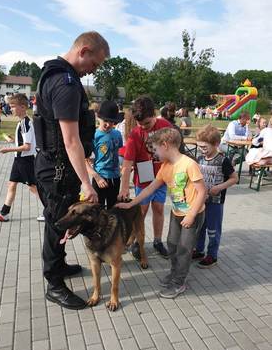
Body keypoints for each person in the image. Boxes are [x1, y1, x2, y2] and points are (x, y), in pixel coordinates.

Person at [34, 31, 109, 310]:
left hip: (52, 166)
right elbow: (70, 140)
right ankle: (54, 285)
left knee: (59, 222)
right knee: (58, 224)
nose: (94, 71)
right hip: (57, 170)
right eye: (95, 64)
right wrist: (87, 184)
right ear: (84, 50)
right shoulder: (65, 84)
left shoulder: (55, 75)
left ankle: (60, 266)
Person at [116, 128, 206, 298]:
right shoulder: (165, 167)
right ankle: (174, 273)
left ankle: (179, 282)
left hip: (192, 215)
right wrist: (131, 204)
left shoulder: (189, 164)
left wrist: (192, 215)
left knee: (184, 249)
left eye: (156, 149)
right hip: (177, 212)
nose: (154, 153)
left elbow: (202, 192)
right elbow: (150, 188)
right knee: (172, 244)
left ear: (165, 145)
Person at [118, 96, 185, 259]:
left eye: (147, 123)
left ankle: (157, 241)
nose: (144, 127)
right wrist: (124, 188)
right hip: (143, 180)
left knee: (159, 209)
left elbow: (177, 151)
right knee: (141, 212)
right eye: (140, 124)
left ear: (154, 114)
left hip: (162, 178)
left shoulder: (166, 127)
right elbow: (127, 164)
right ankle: (136, 241)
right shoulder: (135, 134)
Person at [0, 94, 43, 222]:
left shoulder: (25, 123)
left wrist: (7, 150)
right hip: (19, 160)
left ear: (22, 107)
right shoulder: (23, 122)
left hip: (25, 161)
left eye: (12, 106)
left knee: (33, 187)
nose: (10, 109)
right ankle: (4, 213)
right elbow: (25, 143)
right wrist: (13, 141)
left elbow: (27, 147)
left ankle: (50, 211)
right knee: (12, 185)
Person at [192, 125, 238, 268]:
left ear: (216, 144)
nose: (202, 150)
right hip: (201, 201)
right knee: (199, 227)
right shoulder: (199, 158)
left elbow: (234, 178)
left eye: (205, 147)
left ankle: (212, 255)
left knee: (213, 229)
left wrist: (219, 187)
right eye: (199, 146)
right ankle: (199, 250)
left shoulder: (223, 160)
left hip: (215, 203)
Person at [86, 100, 123, 209]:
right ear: (98, 117)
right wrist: (96, 177)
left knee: (113, 211)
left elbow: (118, 153)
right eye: (105, 121)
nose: (108, 125)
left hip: (115, 178)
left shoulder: (117, 134)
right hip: (100, 178)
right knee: (97, 211)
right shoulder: (93, 135)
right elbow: (84, 161)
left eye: (112, 122)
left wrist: (123, 167)